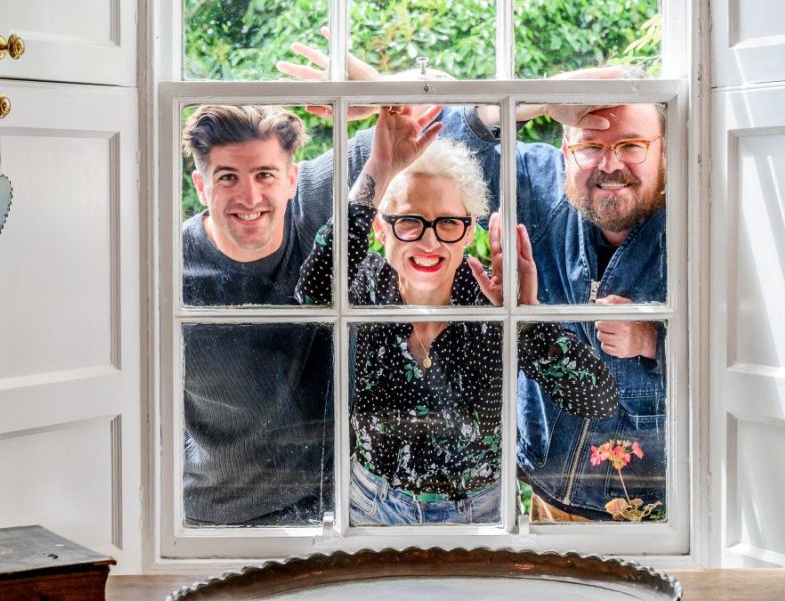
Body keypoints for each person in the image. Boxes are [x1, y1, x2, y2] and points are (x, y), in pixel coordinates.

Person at [278, 42, 663, 522]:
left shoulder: (487, 302)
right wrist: (378, 165)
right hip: (371, 504)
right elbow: (315, 290)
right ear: (380, 228)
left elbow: (596, 397)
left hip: (486, 512)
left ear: (470, 229)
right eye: (410, 222)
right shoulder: (366, 288)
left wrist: (524, 316)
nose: (429, 242)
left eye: (449, 224)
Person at [180, 105, 369, 526]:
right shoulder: (169, 268)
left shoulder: (317, 207)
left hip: (338, 508)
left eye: (265, 175)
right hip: (218, 518)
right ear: (200, 186)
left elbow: (429, 117)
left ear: (292, 179)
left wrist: (376, 97)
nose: (250, 197)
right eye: (227, 177)